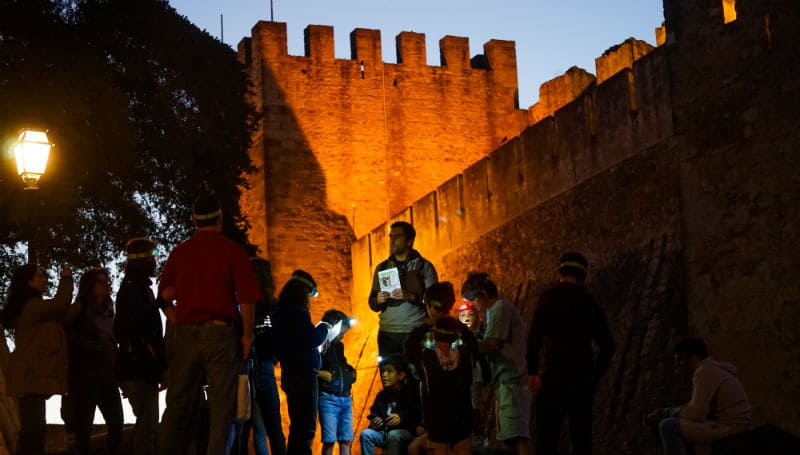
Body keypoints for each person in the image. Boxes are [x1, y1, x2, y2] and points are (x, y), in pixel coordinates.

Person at [157, 192, 261, 455]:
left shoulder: (179, 253)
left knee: (177, 403)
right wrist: (247, 336)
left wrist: (178, 318)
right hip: (219, 333)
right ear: (220, 217)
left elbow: (163, 296)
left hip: (186, 334)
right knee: (221, 407)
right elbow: (247, 300)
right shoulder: (232, 251)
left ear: (194, 220)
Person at [526, 252, 615, 455]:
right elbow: (608, 344)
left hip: (554, 375)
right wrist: (594, 374)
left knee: (547, 438)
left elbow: (534, 337)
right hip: (582, 378)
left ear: (560, 271)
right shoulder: (588, 301)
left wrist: (532, 370)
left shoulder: (547, 298)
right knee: (582, 437)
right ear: (583, 275)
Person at [2, 263, 73, 455]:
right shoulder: (33, 307)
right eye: (40, 276)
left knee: (34, 431)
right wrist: (66, 279)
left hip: (30, 377)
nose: (44, 279)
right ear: (28, 282)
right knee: (33, 431)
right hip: (28, 377)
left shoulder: (33, 307)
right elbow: (60, 303)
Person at [405, 282, 478, 455]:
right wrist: (454, 323)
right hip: (463, 422)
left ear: (431, 306)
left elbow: (409, 345)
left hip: (437, 424)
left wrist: (428, 325)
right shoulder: (465, 352)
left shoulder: (427, 358)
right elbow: (474, 346)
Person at [461, 273, 530, 455]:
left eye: (473, 299)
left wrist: (464, 348)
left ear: (483, 293)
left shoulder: (500, 307)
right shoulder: (491, 312)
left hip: (512, 379)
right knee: (509, 437)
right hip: (503, 381)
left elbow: (491, 343)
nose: (473, 305)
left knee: (518, 436)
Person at [645, 338, 752, 455]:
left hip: (729, 427)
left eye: (680, 360)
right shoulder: (714, 369)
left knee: (667, 425)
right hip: (736, 424)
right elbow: (696, 408)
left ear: (693, 357)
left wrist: (666, 413)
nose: (678, 366)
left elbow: (695, 413)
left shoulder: (704, 371)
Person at [114, 238, 166, 455]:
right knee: (148, 426)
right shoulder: (135, 289)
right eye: (152, 254)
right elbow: (136, 322)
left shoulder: (132, 287)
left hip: (138, 367)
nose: (155, 259)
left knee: (146, 423)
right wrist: (162, 302)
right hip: (139, 367)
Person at [65, 267, 124, 455]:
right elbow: (65, 333)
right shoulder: (80, 307)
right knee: (84, 428)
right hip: (85, 376)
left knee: (117, 423)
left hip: (108, 375)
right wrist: (90, 345)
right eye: (100, 281)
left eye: (106, 280)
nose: (106, 284)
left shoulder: (109, 307)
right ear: (90, 285)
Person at [273, 270, 330, 455]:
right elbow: (311, 338)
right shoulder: (296, 312)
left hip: (291, 374)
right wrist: (324, 326)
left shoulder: (282, 310)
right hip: (303, 376)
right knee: (305, 428)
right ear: (303, 290)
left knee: (297, 426)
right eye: (309, 294)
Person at [369, 221, 438, 358]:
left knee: (417, 375)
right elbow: (372, 303)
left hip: (416, 332)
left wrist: (411, 296)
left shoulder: (425, 267)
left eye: (397, 236)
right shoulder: (382, 268)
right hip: (387, 335)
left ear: (409, 241)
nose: (392, 241)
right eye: (390, 236)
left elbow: (435, 302)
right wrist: (377, 300)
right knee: (390, 375)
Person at [249, 257, 286, 455]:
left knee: (257, 429)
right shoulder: (275, 305)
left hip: (247, 366)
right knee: (273, 426)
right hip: (265, 365)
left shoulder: (245, 304)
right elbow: (281, 335)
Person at [359, 354, 421, 455]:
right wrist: (375, 420)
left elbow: (416, 413)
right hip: (384, 432)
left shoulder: (408, 393)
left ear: (401, 375)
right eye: (383, 371)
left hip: (406, 432)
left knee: (393, 435)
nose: (384, 374)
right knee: (365, 434)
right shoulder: (381, 395)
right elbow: (374, 412)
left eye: (389, 371)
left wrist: (401, 417)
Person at [317, 309, 357, 455]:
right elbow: (307, 365)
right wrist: (318, 373)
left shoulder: (339, 346)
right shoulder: (319, 344)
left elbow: (341, 364)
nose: (343, 335)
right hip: (328, 398)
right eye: (342, 331)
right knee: (329, 440)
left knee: (346, 439)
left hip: (345, 399)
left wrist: (351, 372)